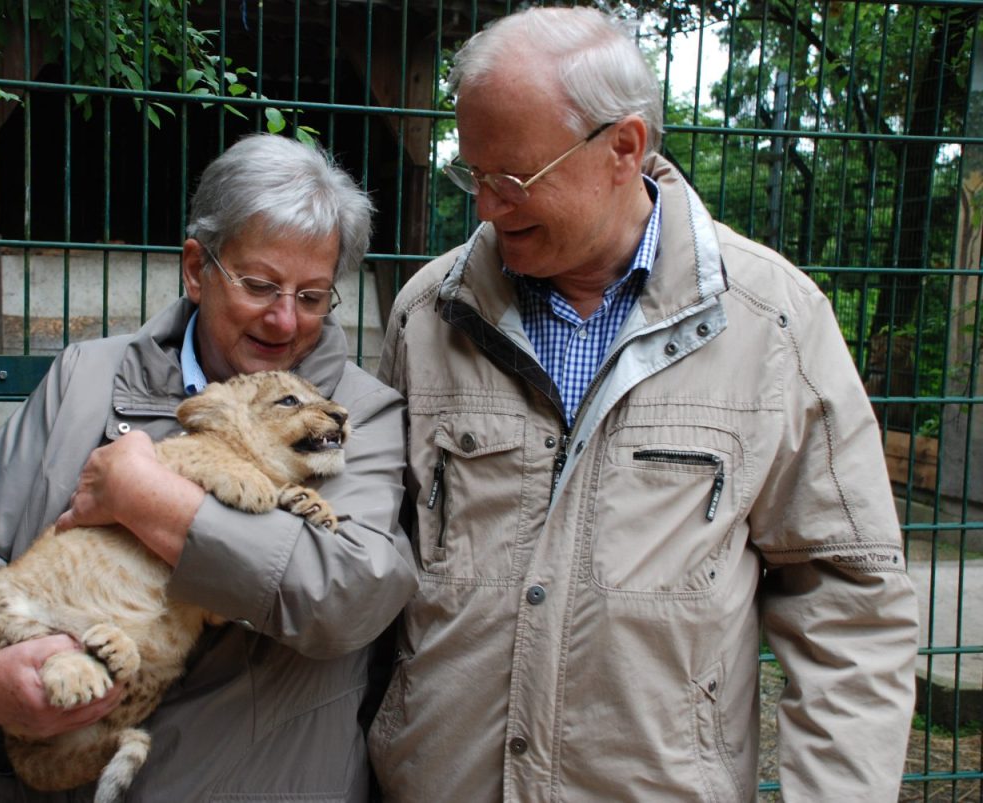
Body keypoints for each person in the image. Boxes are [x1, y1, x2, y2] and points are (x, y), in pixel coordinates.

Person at [367, 7, 920, 801]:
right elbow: (370, 567)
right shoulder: (429, 313)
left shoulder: (773, 322)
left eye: (513, 178)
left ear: (623, 148)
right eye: (472, 175)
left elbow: (851, 604)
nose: (485, 208)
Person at [0, 133, 419, 801]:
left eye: (314, 296)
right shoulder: (86, 376)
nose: (286, 320)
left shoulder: (358, 415)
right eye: (260, 285)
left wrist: (147, 499)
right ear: (195, 266)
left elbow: (347, 594)